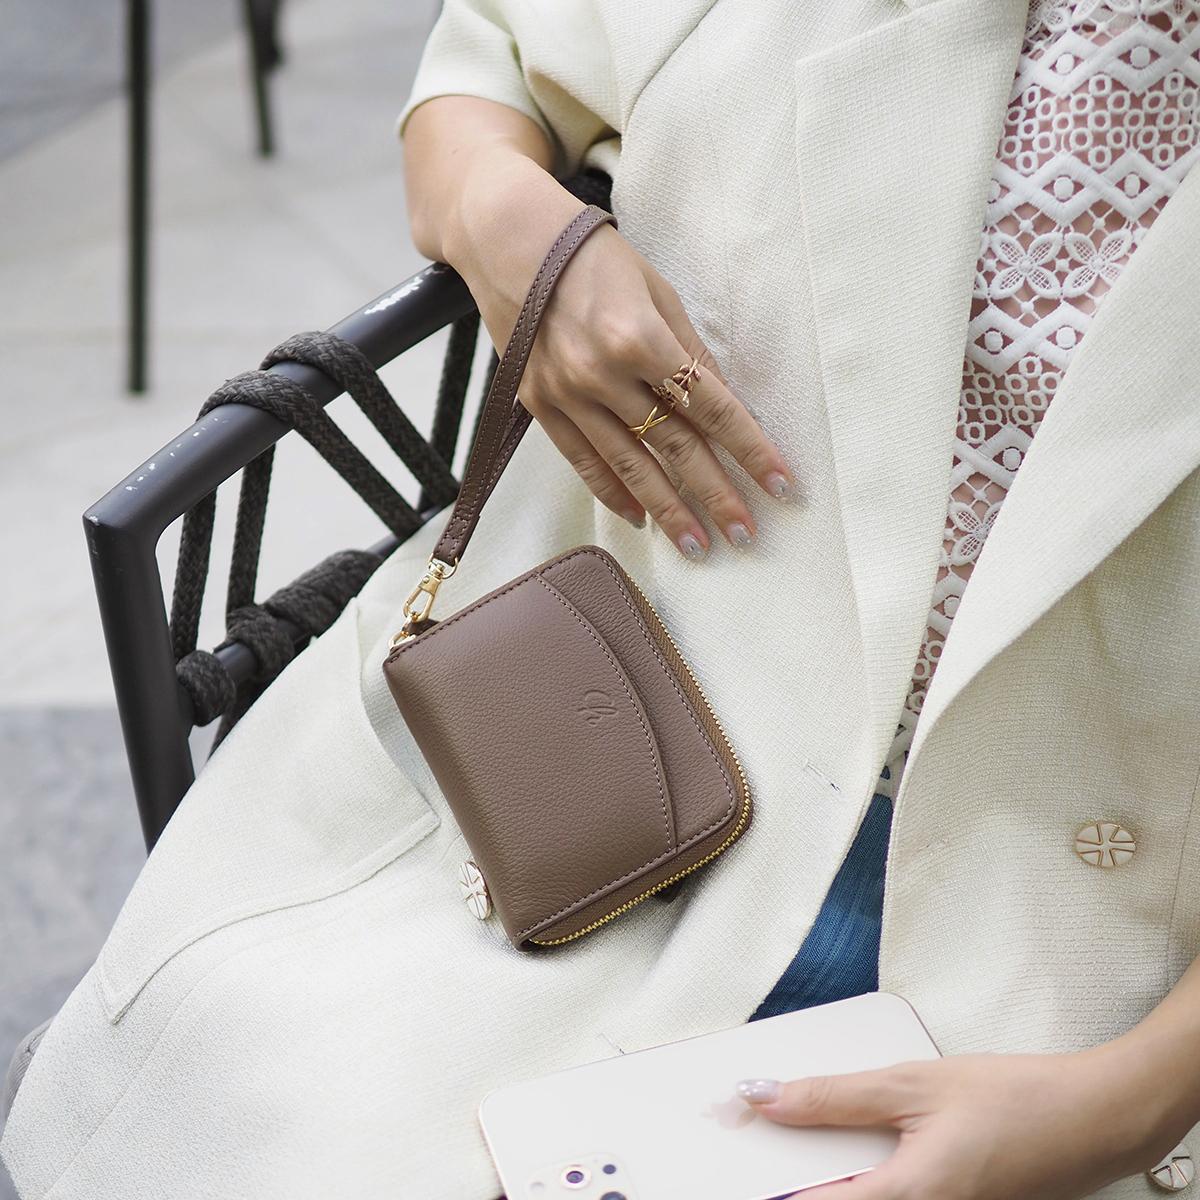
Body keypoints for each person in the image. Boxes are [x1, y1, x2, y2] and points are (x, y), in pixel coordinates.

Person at [4, 0, 1200, 1197]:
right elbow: (487, 60)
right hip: (601, 779)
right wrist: (514, 227)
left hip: (1097, 977)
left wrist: (1130, 1103)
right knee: (224, 1120)